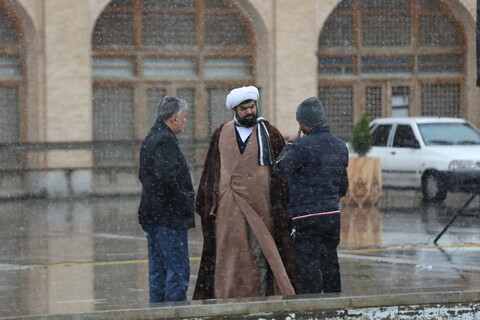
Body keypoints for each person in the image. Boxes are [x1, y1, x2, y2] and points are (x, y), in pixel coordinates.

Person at [193, 86, 301, 300]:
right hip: (229, 209)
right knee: (229, 257)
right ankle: (228, 300)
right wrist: (211, 202)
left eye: (252, 106)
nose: (250, 111)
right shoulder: (221, 133)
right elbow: (211, 171)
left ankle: (259, 300)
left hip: (261, 209)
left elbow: (281, 173)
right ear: (235, 110)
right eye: (244, 108)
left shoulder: (269, 133)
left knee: (261, 255)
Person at [273, 97, 349, 294]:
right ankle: (334, 304)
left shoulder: (299, 147)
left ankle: (313, 307)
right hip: (332, 215)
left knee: (308, 265)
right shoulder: (340, 146)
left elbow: (280, 167)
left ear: (302, 124)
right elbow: (343, 187)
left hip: (305, 216)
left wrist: (290, 145)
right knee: (330, 260)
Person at [137, 96, 195, 304]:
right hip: (169, 218)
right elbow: (167, 178)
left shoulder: (151, 138)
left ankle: (159, 313)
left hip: (153, 215)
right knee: (177, 271)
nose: (186, 121)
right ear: (174, 119)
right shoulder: (165, 140)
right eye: (185, 117)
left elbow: (145, 176)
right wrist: (186, 199)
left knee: (158, 271)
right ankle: (174, 313)